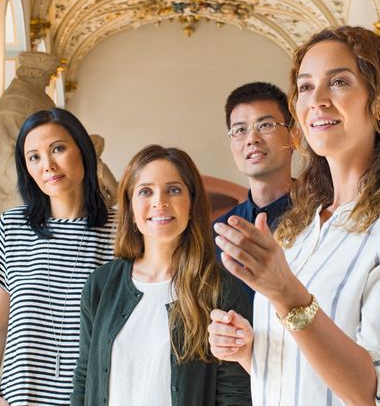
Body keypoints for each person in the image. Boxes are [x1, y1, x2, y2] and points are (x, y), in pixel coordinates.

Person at [208, 25, 380, 405]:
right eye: (305, 87)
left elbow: (372, 390)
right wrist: (249, 352)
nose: (316, 100)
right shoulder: (298, 229)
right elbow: (307, 378)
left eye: (338, 82)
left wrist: (286, 294)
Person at [71, 145, 251, 406]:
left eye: (174, 190)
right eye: (145, 191)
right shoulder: (100, 285)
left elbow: (234, 394)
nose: (160, 202)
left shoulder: (221, 291)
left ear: (191, 204)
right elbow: (84, 374)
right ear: (131, 209)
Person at [0, 108, 117, 406]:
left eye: (58, 149)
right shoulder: (12, 225)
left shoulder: (121, 229)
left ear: (82, 149)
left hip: (96, 395)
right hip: (21, 396)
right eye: (34, 157)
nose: (48, 165)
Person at [214, 82, 294, 302]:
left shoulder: (324, 215)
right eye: (240, 130)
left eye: (265, 125)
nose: (252, 139)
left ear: (293, 135)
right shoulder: (219, 234)